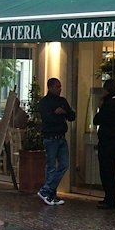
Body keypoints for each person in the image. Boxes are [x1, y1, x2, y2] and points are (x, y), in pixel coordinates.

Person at [36, 77, 76, 206]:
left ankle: (47, 191)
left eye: (60, 87)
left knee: (64, 165)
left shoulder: (62, 101)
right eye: (57, 87)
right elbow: (47, 118)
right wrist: (57, 114)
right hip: (50, 138)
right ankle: (50, 194)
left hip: (61, 137)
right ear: (50, 87)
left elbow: (72, 116)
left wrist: (63, 112)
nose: (60, 89)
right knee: (51, 167)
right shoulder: (44, 102)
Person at [93, 79, 115, 209]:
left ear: (106, 90)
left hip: (107, 142)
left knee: (106, 171)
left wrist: (100, 107)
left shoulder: (108, 104)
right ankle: (110, 198)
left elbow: (97, 120)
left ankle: (110, 198)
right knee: (112, 170)